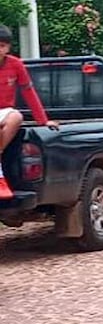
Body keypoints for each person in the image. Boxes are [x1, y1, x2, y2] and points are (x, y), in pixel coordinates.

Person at [0, 25, 59, 199]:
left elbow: (28, 92)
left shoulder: (15, 64)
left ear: (8, 47)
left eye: (2, 45)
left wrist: (43, 120)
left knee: (16, 117)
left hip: (5, 111)